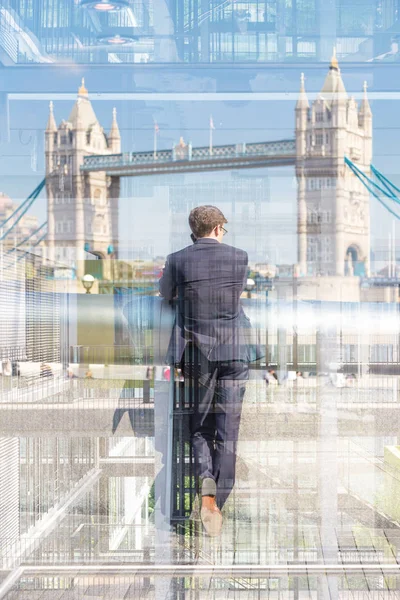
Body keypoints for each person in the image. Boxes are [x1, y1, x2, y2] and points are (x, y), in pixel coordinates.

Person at [159, 205, 263, 537]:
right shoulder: (239, 257)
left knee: (201, 424)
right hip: (234, 352)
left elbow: (165, 295)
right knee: (228, 432)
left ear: (196, 230)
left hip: (198, 354)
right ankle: (217, 500)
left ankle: (205, 481)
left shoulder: (177, 259)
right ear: (218, 228)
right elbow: (234, 297)